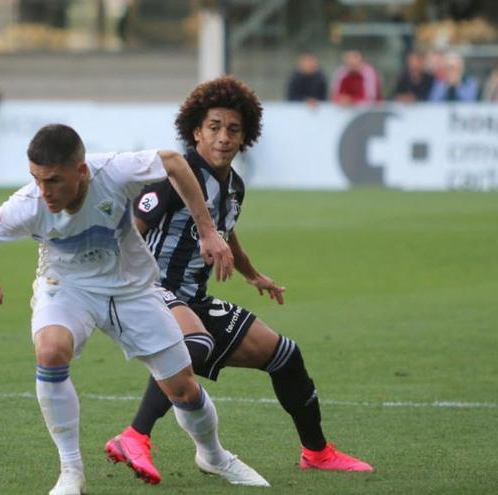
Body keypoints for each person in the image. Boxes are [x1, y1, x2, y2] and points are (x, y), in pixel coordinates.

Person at [0, 124, 270, 495]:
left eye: (54, 180)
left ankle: (214, 456)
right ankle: (71, 472)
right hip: (68, 289)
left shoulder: (113, 170)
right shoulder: (27, 205)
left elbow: (173, 162)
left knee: (183, 389)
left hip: (131, 289)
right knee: (51, 351)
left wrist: (207, 230)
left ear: (82, 171)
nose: (44, 191)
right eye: (36, 179)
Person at [103, 76, 373, 486]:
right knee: (191, 345)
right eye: (214, 127)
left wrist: (252, 273)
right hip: (152, 291)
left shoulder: (234, 187)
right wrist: (117, 286)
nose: (223, 137)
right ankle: (135, 436)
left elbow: (224, 231)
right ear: (196, 130)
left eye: (233, 129)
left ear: (245, 136)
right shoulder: (176, 176)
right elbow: (134, 226)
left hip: (193, 299)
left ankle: (317, 453)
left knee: (286, 355)